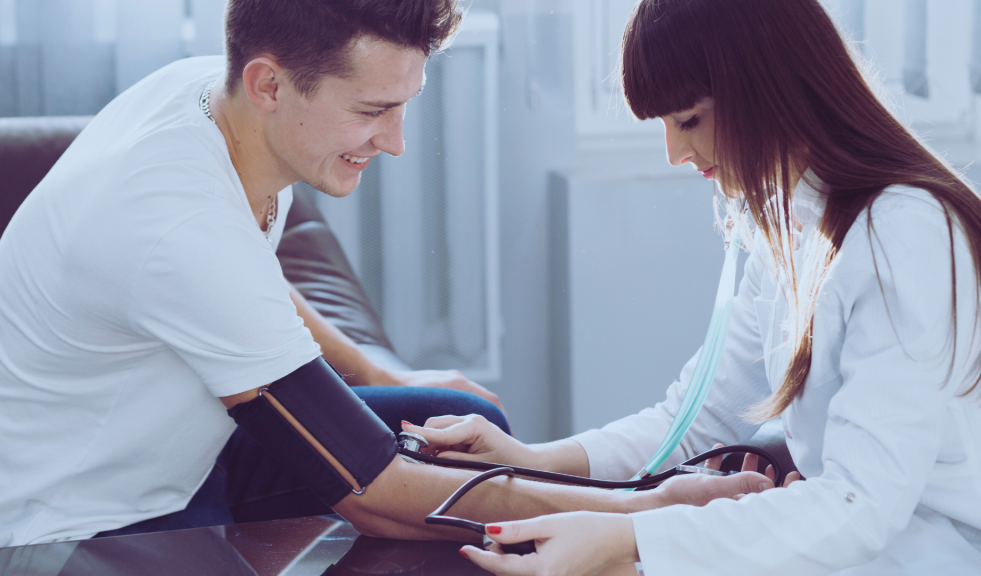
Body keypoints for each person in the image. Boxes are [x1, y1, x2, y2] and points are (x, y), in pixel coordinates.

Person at [0, 0, 774, 548]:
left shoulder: (210, 94)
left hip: (185, 445)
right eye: (373, 110)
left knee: (458, 430)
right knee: (427, 493)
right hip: (85, 517)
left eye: (405, 106)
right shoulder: (173, 223)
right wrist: (647, 509)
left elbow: (241, 274)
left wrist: (383, 370)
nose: (397, 142)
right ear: (271, 84)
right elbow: (373, 495)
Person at [402, 1, 981, 574]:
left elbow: (861, 506)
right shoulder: (792, 223)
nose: (675, 152)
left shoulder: (907, 236)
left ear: (767, 89)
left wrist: (633, 542)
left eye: (689, 119)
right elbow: (692, 420)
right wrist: (535, 460)